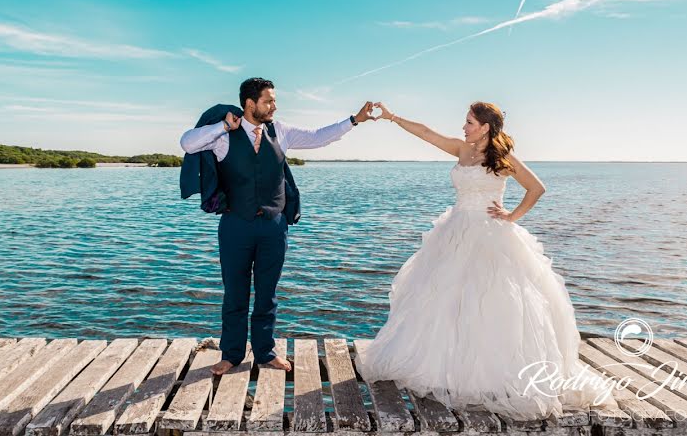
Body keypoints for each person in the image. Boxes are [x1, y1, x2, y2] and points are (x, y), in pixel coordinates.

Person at [353, 101, 619, 420]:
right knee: (444, 299)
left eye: (468, 122)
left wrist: (511, 217)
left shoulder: (502, 158)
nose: (463, 127)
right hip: (454, 233)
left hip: (490, 235)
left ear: (485, 127)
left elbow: (536, 188)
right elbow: (425, 133)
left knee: (492, 301)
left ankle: (488, 373)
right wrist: (392, 117)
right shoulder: (461, 150)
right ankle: (444, 367)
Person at [179, 77, 376, 376]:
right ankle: (231, 354)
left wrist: (354, 120)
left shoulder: (280, 131)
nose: (274, 105)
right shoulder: (223, 136)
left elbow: (319, 136)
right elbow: (187, 142)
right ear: (250, 103)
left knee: (267, 294)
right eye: (268, 100)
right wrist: (223, 126)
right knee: (235, 293)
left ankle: (265, 353)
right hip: (235, 226)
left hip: (273, 226)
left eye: (273, 100)